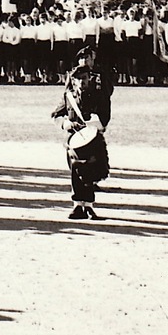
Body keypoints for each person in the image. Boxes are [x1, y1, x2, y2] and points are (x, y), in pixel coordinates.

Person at [52, 65, 111, 220]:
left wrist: (96, 122)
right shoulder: (68, 97)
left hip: (92, 139)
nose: (82, 82)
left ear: (89, 78)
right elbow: (56, 115)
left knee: (90, 171)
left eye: (84, 78)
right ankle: (78, 205)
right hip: (74, 140)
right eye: (78, 79)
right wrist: (66, 124)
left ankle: (89, 205)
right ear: (73, 80)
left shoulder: (98, 95)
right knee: (75, 170)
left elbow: (105, 116)